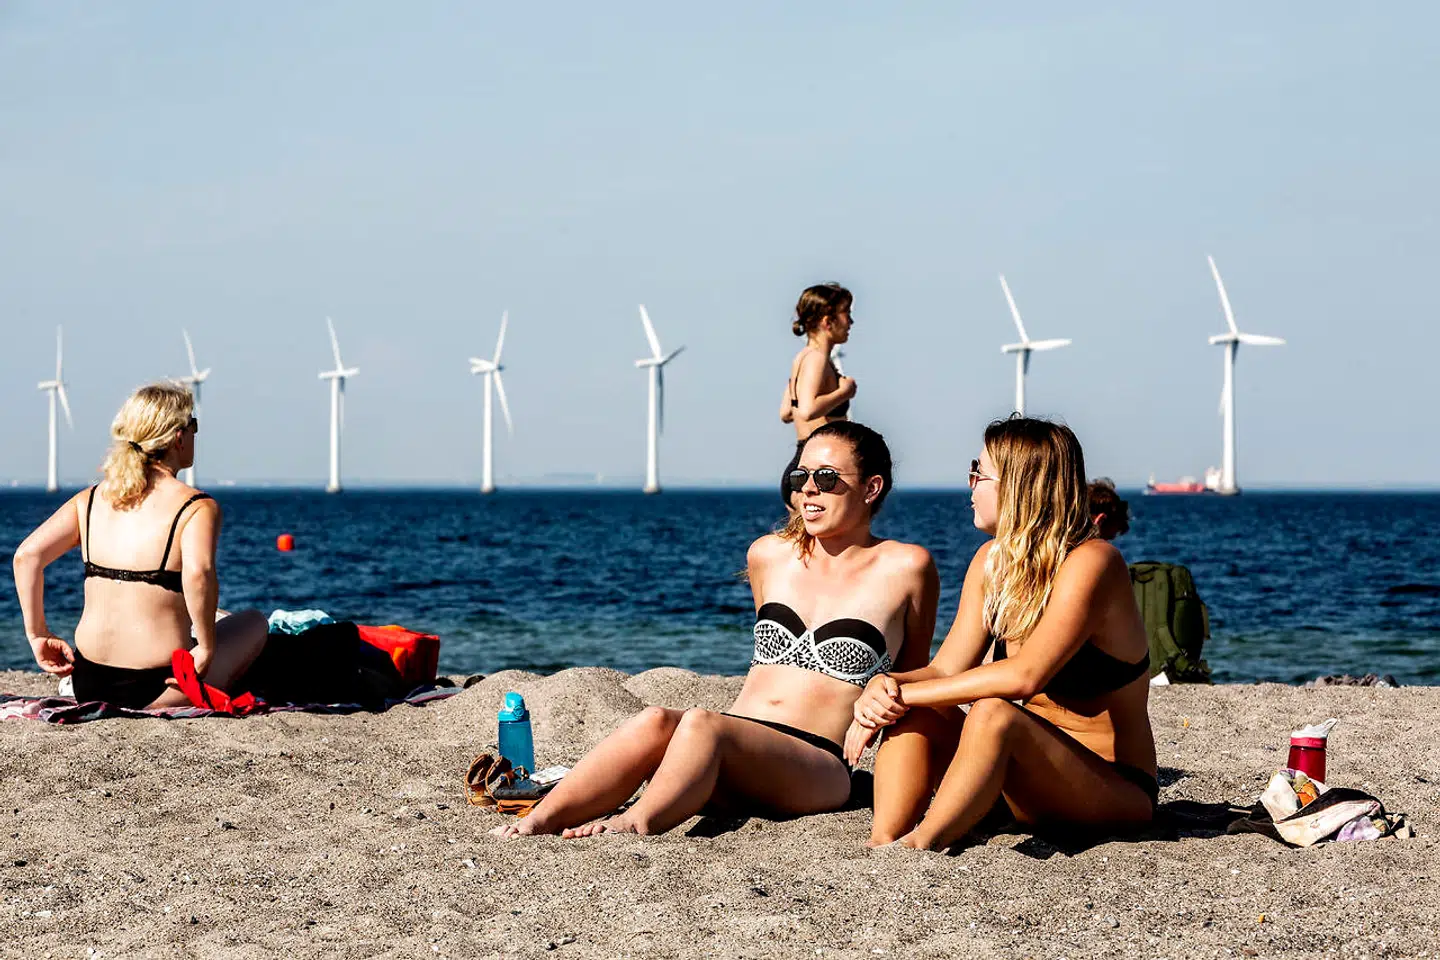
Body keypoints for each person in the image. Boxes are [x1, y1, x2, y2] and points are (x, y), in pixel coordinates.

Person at [492, 421, 938, 839]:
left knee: (702, 723)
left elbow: (920, 672)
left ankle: (634, 823)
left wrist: (885, 703)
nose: (807, 490)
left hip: (817, 763)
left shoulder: (906, 566)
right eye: (799, 476)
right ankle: (541, 819)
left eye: (826, 478)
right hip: (732, 746)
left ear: (870, 487)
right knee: (655, 720)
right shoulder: (769, 555)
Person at [849, 417, 1157, 851]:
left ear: (1020, 486)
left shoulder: (1094, 563)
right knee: (917, 708)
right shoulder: (991, 562)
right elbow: (945, 670)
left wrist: (906, 693)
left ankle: (923, 843)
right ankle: (885, 843)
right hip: (1020, 783)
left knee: (992, 713)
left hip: (1110, 791)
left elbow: (1025, 676)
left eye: (980, 472)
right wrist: (884, 688)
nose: (970, 483)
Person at [12, 381, 268, 709]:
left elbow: (26, 556)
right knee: (254, 622)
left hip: (87, 682)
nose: (194, 435)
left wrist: (37, 634)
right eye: (194, 426)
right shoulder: (195, 507)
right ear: (178, 437)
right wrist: (204, 646)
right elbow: (198, 574)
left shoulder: (89, 500)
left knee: (215, 614)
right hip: (160, 686)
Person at [778, 283, 858, 511]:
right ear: (827, 321)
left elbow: (786, 413)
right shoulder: (817, 360)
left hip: (800, 466)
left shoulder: (801, 358)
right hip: (816, 471)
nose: (850, 323)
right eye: (846, 314)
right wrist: (845, 391)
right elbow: (806, 410)